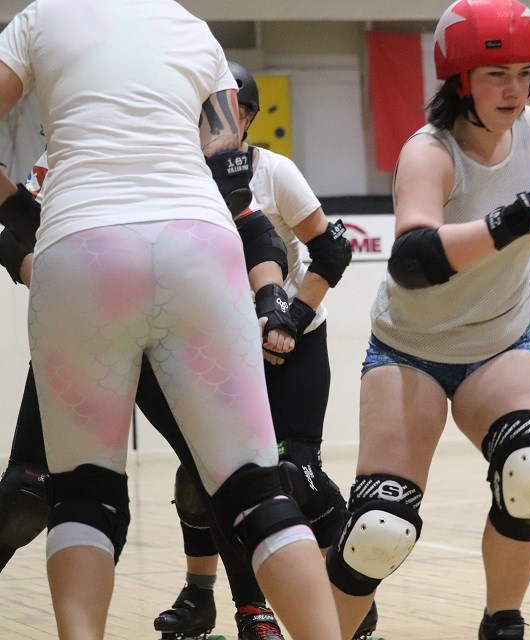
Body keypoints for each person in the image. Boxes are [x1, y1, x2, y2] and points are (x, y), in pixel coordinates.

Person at [0, 2, 340, 638]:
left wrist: (16, 206)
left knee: (83, 492)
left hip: (82, 245)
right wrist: (268, 292)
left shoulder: (41, 17)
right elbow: (230, 176)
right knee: (257, 487)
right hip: (199, 246)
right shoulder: (192, 28)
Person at [321, 1, 530, 638]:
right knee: (378, 533)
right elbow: (414, 260)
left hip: (500, 342)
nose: (516, 90)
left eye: (525, 73)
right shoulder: (429, 152)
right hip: (408, 350)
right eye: (497, 74)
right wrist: (507, 224)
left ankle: (502, 623)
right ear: (459, 80)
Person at [152, 60, 374, 640]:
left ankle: (352, 586)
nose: (221, 123)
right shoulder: (176, 177)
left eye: (233, 113)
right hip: (223, 348)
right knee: (205, 481)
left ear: (245, 118)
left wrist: (291, 319)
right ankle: (216, 602)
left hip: (295, 341)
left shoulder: (273, 172)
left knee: (294, 475)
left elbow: (331, 253)